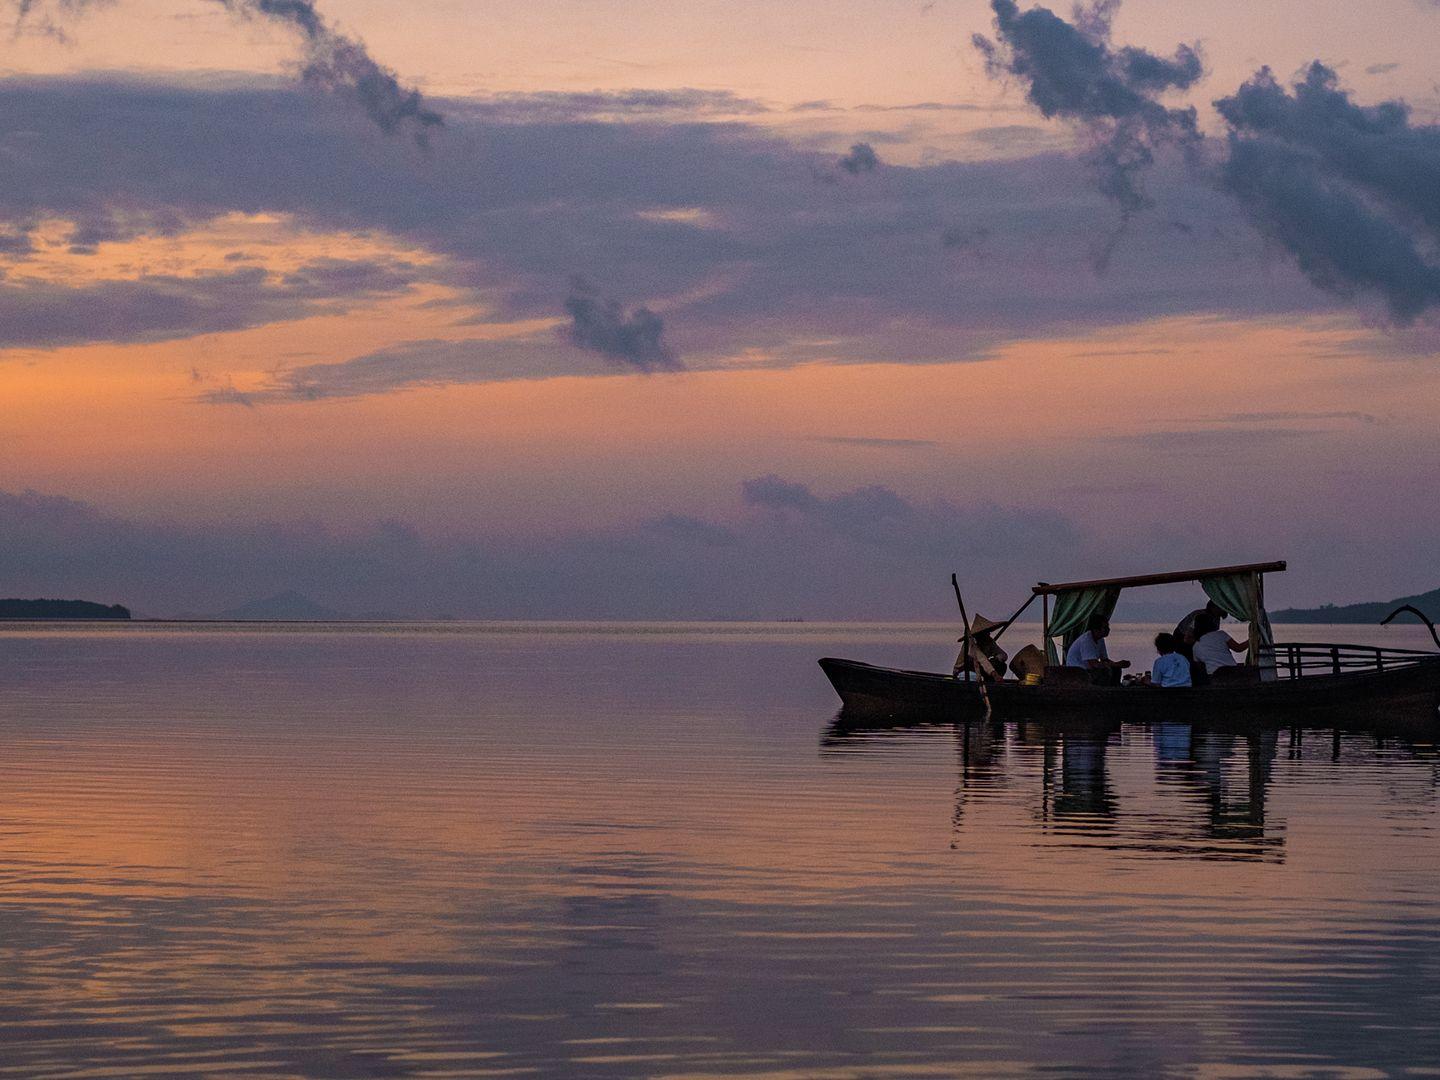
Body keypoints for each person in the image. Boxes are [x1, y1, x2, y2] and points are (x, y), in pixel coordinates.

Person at [1065, 613, 1130, 684]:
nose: (1108, 629)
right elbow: (1094, 664)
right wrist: (1116, 664)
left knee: (1115, 669)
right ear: (1096, 629)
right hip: (1079, 672)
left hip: (1087, 670)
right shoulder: (1086, 640)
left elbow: (1104, 659)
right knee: (1105, 671)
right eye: (1105, 627)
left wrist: (1117, 664)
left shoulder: (1100, 639)